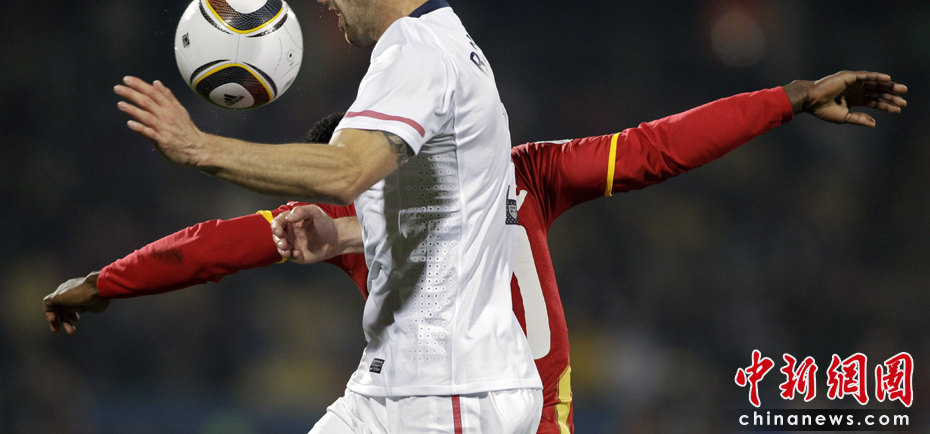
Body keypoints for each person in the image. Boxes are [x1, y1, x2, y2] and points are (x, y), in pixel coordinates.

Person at [45, 71, 907, 433]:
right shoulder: (500, 180)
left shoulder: (517, 175)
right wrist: (106, 282)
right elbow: (217, 246)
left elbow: (660, 145)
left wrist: (790, 97)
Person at [109, 0, 544, 432]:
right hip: (400, 384)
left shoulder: (418, 49)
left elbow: (346, 172)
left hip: (446, 389)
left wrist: (200, 146)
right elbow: (460, 211)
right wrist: (346, 235)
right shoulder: (449, 45)